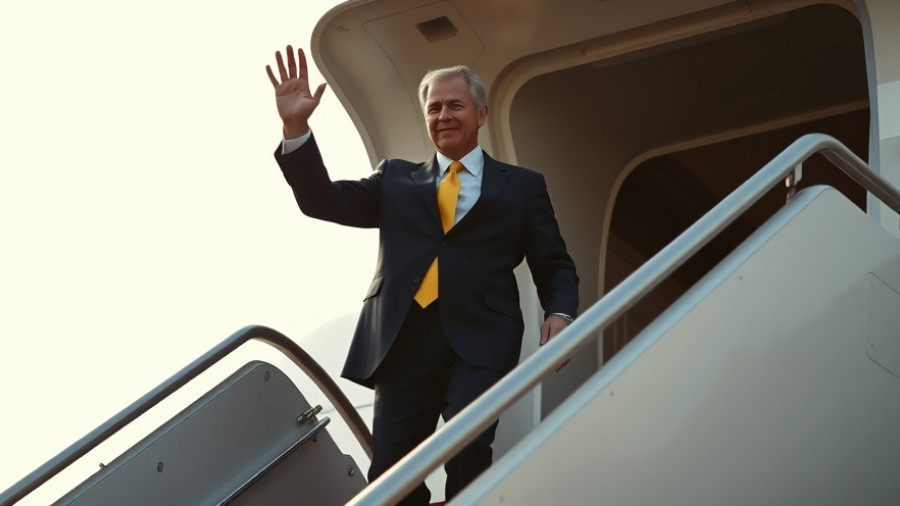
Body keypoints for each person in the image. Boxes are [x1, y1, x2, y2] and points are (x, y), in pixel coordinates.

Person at [266, 45, 579, 505]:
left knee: (469, 443)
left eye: (455, 105)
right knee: (392, 474)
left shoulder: (522, 186)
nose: (443, 115)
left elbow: (554, 263)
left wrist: (561, 312)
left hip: (480, 338)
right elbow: (322, 200)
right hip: (402, 341)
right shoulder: (395, 179)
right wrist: (297, 128)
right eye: (434, 107)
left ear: (481, 112)